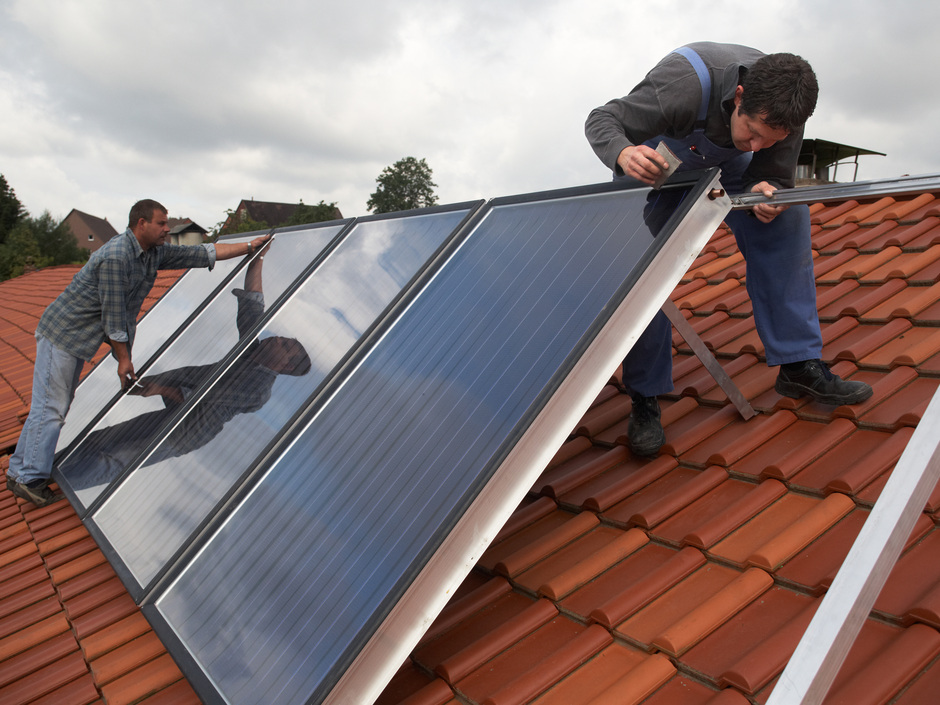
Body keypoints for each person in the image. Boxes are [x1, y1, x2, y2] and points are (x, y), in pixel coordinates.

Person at [585, 41, 873, 457]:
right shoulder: (682, 86)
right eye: (752, 132)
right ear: (739, 97)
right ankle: (644, 396)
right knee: (640, 265)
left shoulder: (786, 112)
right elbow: (602, 119)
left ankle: (797, 364)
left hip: (724, 171)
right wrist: (624, 153)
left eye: (769, 140)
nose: (756, 144)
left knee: (789, 216)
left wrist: (767, 190)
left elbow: (772, 176)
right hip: (653, 169)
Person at [6, 198, 271, 506]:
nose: (167, 229)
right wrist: (124, 360)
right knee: (51, 407)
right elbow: (114, 318)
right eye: (161, 223)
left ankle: (21, 469)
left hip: (76, 339)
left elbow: (201, 253)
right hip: (63, 336)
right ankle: (28, 477)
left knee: (52, 405)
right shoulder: (117, 256)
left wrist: (249, 247)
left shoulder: (152, 253)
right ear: (141, 223)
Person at [59, 245, 311, 493]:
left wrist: (159, 388)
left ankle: (55, 491)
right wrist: (258, 258)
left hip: (183, 433)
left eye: (284, 345)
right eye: (283, 338)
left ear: (285, 365)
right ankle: (46, 472)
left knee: (115, 459)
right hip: (173, 413)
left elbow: (201, 400)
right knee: (101, 439)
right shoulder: (250, 353)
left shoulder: (258, 390)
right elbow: (252, 305)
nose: (277, 338)